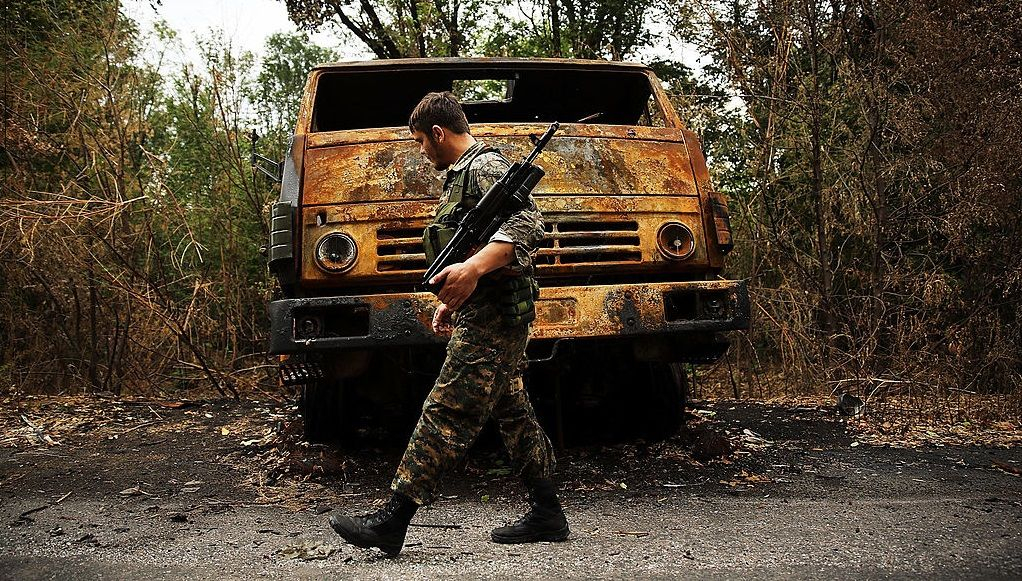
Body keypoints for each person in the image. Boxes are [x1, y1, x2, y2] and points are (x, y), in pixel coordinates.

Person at [328, 92, 569, 557]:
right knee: (512, 410)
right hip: (482, 310)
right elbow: (475, 244)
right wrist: (456, 297)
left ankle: (393, 519)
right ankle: (547, 511)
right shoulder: (459, 178)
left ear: (438, 133)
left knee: (447, 408)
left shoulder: (484, 167)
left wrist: (474, 270)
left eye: (421, 141)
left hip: (497, 314)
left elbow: (529, 225)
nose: (421, 151)